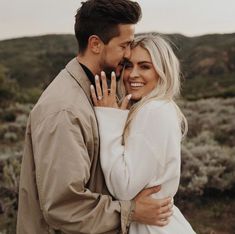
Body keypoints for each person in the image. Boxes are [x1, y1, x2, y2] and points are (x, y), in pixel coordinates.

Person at [16, 1, 173, 234]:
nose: (129, 53)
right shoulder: (65, 110)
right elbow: (63, 206)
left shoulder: (98, 92)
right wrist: (131, 211)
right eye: (125, 45)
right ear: (96, 44)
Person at [91, 33, 196, 233]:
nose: (132, 74)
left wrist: (109, 118)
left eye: (145, 66)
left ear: (162, 71)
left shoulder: (153, 110)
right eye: (129, 65)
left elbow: (124, 187)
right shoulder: (155, 107)